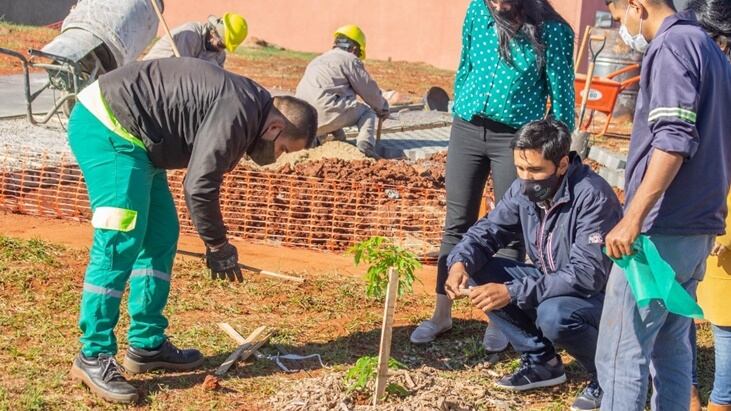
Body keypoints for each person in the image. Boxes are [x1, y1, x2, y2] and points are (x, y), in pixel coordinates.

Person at [67, 57, 317, 403]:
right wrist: (218, 246)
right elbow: (198, 186)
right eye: (283, 149)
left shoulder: (249, 106)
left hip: (141, 144)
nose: (276, 158)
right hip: (109, 126)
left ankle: (146, 344)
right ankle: (93, 354)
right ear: (274, 129)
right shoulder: (240, 112)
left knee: (160, 235)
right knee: (119, 236)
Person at [410, 0, 576, 353]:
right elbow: (465, 64)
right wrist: (461, 103)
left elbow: (562, 101)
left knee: (512, 228)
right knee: (457, 222)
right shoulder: (477, 11)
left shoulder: (555, 32)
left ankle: (502, 320)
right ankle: (442, 313)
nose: (498, 4)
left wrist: (556, 152)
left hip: (515, 137)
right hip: (467, 127)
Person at [595, 1, 731, 410]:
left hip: (659, 232)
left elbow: (673, 139)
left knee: (622, 352)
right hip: (696, 227)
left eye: (620, 18)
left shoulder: (673, 45)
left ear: (636, 6)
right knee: (671, 348)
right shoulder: (713, 53)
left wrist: (632, 218)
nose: (623, 30)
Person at [444, 118, 621, 410]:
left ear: (562, 164)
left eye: (536, 170)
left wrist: (512, 292)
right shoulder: (523, 190)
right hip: (555, 281)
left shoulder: (592, 196)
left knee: (555, 315)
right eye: (520, 168)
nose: (526, 177)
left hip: (602, 297)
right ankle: (543, 363)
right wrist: (460, 261)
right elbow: (488, 230)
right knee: (478, 267)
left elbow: (587, 275)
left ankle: (607, 377)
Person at [688, 1, 731, 409]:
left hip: (719, 219)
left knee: (725, 319)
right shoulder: (693, 73)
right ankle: (688, 393)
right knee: (678, 304)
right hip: (691, 207)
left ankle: (720, 400)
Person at [295, 24, 389, 158]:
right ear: (355, 48)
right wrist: (382, 108)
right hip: (326, 111)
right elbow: (369, 90)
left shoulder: (318, 60)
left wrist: (341, 139)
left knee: (333, 110)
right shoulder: (350, 59)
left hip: (303, 119)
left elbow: (324, 99)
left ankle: (315, 142)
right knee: (367, 112)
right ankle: (365, 146)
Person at [144, 13, 248, 67]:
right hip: (151, 77)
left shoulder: (220, 56)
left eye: (225, 47)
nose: (221, 49)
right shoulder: (190, 34)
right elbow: (184, 73)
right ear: (213, 31)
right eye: (221, 44)